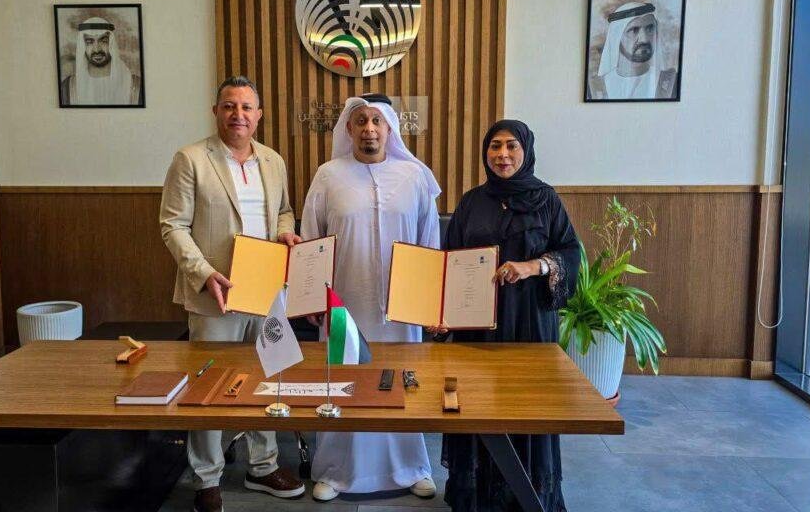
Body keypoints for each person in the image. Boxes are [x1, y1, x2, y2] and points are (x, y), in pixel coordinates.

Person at [159, 76, 305, 512]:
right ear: (216, 112)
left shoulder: (273, 160)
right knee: (208, 385)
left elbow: (284, 211)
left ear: (259, 115)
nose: (238, 115)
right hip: (215, 294)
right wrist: (204, 274)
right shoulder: (190, 159)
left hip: (267, 288)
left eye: (246, 107)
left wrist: (286, 233)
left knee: (269, 377)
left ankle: (263, 466)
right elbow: (172, 225)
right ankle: (206, 478)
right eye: (229, 106)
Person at [300, 93, 441, 502]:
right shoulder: (328, 175)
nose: (369, 129)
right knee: (344, 380)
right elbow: (310, 240)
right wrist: (311, 297)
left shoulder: (414, 176)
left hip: (402, 309)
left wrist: (429, 301)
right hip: (344, 304)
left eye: (377, 121)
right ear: (348, 128)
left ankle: (411, 467)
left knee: (401, 381)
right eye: (361, 121)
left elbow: (429, 242)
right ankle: (335, 470)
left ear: (390, 127)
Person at [438, 120, 580, 512]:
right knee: (478, 407)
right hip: (477, 330)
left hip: (529, 325)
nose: (502, 154)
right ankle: (478, 498)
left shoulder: (546, 199)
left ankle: (528, 497)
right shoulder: (472, 202)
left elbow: (570, 253)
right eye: (495, 146)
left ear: (526, 151)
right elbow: (449, 263)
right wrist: (442, 314)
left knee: (527, 407)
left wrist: (533, 266)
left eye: (511, 146)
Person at [588, 2, 678, 100]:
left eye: (650, 29)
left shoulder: (670, 82)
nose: (644, 39)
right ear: (616, 38)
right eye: (634, 30)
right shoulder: (595, 87)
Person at [60, 16, 143, 105]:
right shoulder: (68, 87)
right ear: (83, 46)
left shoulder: (136, 86)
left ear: (111, 44)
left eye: (103, 41)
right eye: (89, 42)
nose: (97, 50)